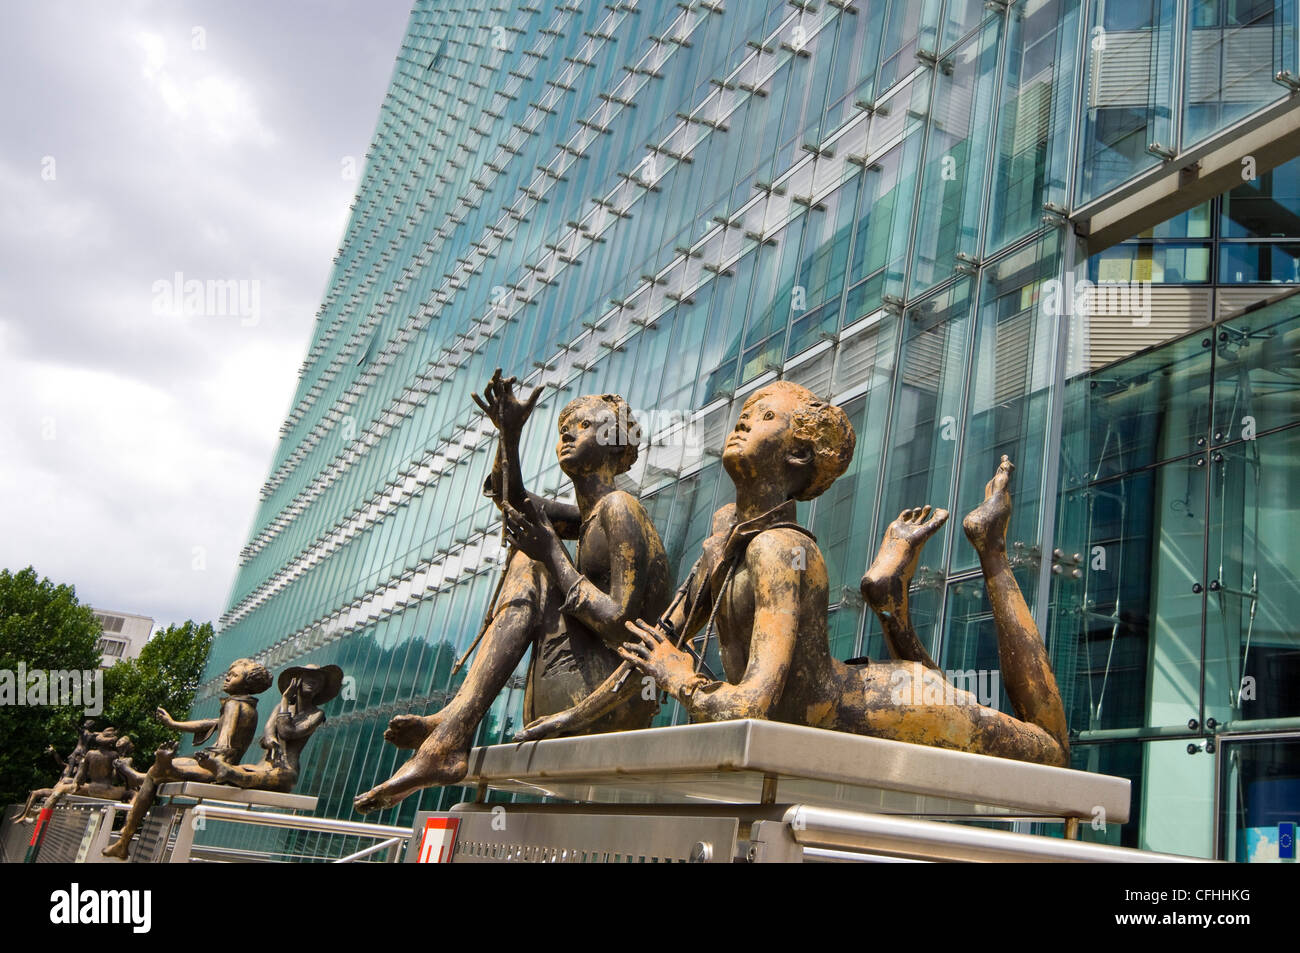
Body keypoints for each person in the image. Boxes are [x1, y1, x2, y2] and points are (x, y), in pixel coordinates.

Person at [612, 380, 1069, 766]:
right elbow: (649, 644)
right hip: (857, 697)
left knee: (1050, 750)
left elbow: (752, 707)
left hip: (885, 704)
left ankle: (991, 550)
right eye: (746, 412)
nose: (744, 420)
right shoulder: (727, 533)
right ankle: (889, 602)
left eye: (766, 415)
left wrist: (679, 677)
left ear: (799, 454)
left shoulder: (781, 548)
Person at [353, 370, 671, 812]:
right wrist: (509, 436)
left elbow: (623, 625)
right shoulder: (589, 516)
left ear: (616, 443)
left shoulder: (620, 508)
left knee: (534, 560)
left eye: (585, 425)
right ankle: (452, 727)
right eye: (565, 426)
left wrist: (554, 555)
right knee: (532, 555)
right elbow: (514, 502)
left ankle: (450, 734)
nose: (568, 432)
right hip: (569, 691)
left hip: (609, 702)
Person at [102, 658, 272, 859]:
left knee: (157, 772)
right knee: (158, 769)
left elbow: (225, 736)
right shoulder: (245, 705)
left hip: (216, 766)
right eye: (229, 673)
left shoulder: (234, 705)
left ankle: (124, 842)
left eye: (234, 676)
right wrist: (173, 723)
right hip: (217, 762)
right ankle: (143, 777)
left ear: (247, 683)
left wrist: (217, 753)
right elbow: (208, 723)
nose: (227, 678)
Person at [197, 664, 342, 792]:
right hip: (264, 765)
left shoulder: (316, 714)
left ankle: (226, 772)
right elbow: (266, 735)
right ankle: (219, 770)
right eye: (308, 679)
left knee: (242, 776)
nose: (313, 683)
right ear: (296, 682)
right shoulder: (279, 708)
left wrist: (285, 699)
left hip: (286, 771)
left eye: (317, 681)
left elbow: (287, 732)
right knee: (238, 771)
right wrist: (270, 740)